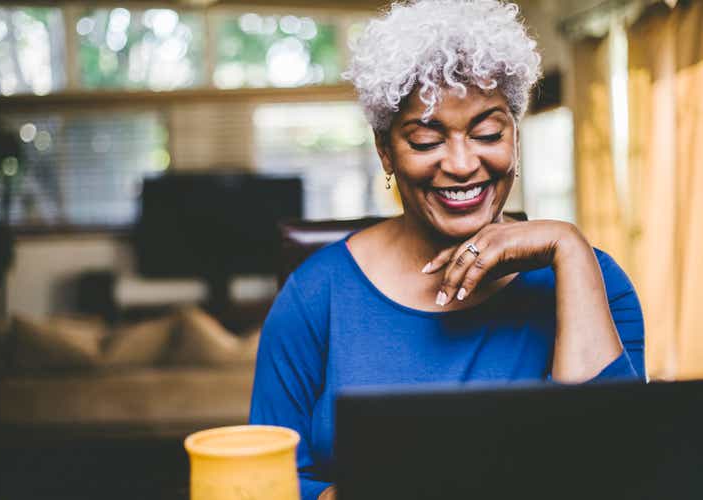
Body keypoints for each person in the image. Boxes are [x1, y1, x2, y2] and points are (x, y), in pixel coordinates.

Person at [249, 1, 645, 499]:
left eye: (487, 133)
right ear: (385, 150)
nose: (461, 164)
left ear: (515, 138)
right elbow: (266, 485)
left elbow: (617, 469)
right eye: (425, 140)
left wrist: (569, 247)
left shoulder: (594, 282)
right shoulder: (314, 298)